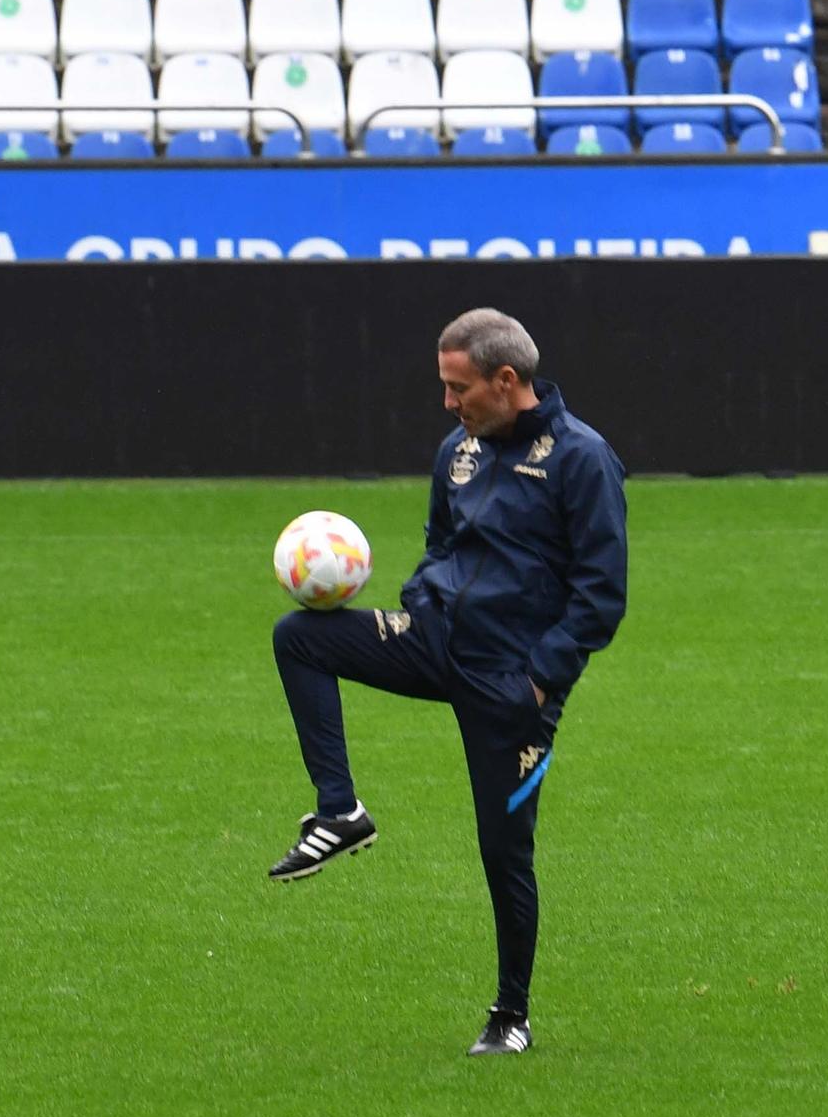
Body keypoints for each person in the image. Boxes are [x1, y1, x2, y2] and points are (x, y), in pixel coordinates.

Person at [268, 308, 627, 1057]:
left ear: (506, 381)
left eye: (457, 387)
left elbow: (601, 595)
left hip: (510, 684)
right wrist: (423, 594)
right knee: (300, 638)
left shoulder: (582, 461)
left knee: (503, 851)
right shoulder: (458, 451)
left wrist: (539, 682)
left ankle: (511, 1016)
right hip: (431, 643)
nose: (447, 402)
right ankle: (340, 813)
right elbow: (443, 542)